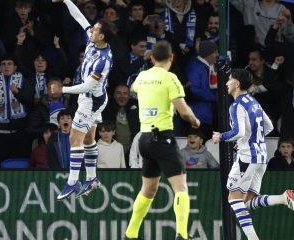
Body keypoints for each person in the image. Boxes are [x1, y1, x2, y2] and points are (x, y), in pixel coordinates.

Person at [124, 41, 200, 240]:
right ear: (172, 57)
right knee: (181, 188)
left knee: (148, 189)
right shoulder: (170, 78)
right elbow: (183, 110)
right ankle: (182, 235)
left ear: (151, 58)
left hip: (144, 139)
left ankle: (130, 234)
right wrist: (194, 120)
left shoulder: (143, 76)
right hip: (162, 138)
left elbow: (133, 88)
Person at [212, 68, 294, 240]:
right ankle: (282, 198)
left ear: (237, 84)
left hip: (247, 158)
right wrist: (251, 139)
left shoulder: (236, 105)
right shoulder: (253, 101)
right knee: (247, 203)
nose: (227, 83)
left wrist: (221, 136)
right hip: (261, 157)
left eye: (229, 79)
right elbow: (269, 126)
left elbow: (238, 132)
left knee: (234, 200)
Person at [50, 0, 114, 200]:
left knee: (74, 139)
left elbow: (86, 86)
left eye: (95, 29)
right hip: (97, 99)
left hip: (90, 100)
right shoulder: (93, 39)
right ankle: (92, 178)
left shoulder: (103, 60)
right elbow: (79, 17)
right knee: (88, 139)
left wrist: (63, 89)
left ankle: (72, 182)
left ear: (101, 36)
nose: (91, 29)